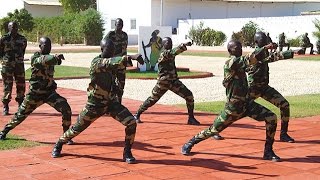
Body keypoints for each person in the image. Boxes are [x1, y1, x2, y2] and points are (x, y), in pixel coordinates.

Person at [181, 40, 281, 162]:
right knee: (213, 130)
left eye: (240, 46)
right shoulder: (230, 63)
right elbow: (250, 58)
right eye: (235, 47)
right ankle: (190, 142)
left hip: (247, 105)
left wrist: (284, 53)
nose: (239, 48)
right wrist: (266, 47)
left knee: (271, 118)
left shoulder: (242, 63)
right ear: (229, 51)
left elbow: (259, 60)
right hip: (233, 108)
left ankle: (268, 151)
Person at [51, 39, 144, 164]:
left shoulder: (112, 63)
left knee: (131, 122)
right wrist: (131, 56)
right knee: (76, 129)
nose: (111, 52)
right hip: (94, 105)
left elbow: (115, 76)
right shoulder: (97, 62)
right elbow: (110, 63)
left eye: (112, 50)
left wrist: (116, 88)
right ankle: (59, 143)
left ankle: (127, 152)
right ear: (102, 49)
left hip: (110, 103)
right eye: (108, 49)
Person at [0, 37, 73, 145]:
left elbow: (53, 60)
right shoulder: (35, 57)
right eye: (45, 46)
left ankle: (66, 136)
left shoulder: (51, 57)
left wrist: (55, 58)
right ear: (40, 46)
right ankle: (4, 131)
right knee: (20, 115)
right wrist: (55, 57)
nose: (48, 48)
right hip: (35, 95)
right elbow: (43, 60)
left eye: (49, 46)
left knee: (66, 109)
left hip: (49, 93)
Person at [133, 37, 200, 125]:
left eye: (171, 42)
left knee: (189, 95)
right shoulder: (164, 54)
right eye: (168, 42)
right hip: (163, 83)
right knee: (152, 99)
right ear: (163, 45)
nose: (170, 44)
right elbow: (173, 52)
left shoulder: (170, 53)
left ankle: (191, 118)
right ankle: (137, 114)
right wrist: (184, 44)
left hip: (173, 82)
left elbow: (173, 52)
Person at [0, 21, 27, 115]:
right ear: (8, 28)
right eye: (12, 27)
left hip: (19, 65)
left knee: (21, 85)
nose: (14, 29)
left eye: (15, 27)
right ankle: (6, 106)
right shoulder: (4, 39)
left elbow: (23, 51)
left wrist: (18, 59)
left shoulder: (22, 39)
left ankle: (20, 105)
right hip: (7, 66)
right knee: (7, 86)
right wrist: (4, 61)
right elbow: (1, 52)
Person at [103, 18, 128, 103]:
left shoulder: (125, 35)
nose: (119, 27)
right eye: (118, 25)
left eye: (121, 25)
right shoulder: (110, 34)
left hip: (122, 63)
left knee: (121, 84)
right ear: (115, 25)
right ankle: (109, 103)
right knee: (111, 84)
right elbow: (104, 45)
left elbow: (125, 49)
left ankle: (119, 102)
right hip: (112, 63)